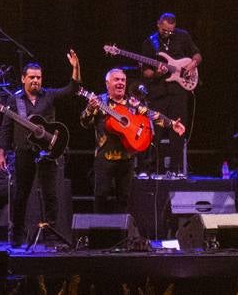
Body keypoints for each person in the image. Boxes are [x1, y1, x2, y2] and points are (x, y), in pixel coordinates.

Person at [0, 50, 81, 246]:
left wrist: (75, 67)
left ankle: (50, 234)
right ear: (23, 79)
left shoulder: (49, 96)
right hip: (23, 151)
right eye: (32, 77)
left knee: (50, 194)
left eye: (39, 77)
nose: (36, 80)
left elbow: (72, 89)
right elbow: (6, 127)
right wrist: (2, 151)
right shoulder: (14, 100)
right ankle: (17, 235)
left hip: (48, 153)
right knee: (20, 195)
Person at [81, 68, 185, 213]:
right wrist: (90, 108)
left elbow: (152, 115)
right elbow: (84, 122)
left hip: (127, 159)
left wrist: (172, 124)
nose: (120, 83)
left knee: (124, 200)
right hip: (104, 158)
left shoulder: (133, 103)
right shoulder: (99, 101)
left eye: (123, 80)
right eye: (116, 80)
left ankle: (123, 234)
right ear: (107, 83)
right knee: (101, 198)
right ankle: (99, 234)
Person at [139, 12, 200, 175]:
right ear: (158, 24)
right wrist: (158, 73)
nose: (168, 33)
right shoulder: (149, 43)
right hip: (158, 93)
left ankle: (176, 169)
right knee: (154, 132)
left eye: (171, 30)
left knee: (178, 130)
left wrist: (192, 64)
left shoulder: (183, 36)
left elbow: (197, 55)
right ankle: (150, 168)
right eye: (165, 30)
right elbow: (146, 72)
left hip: (179, 93)